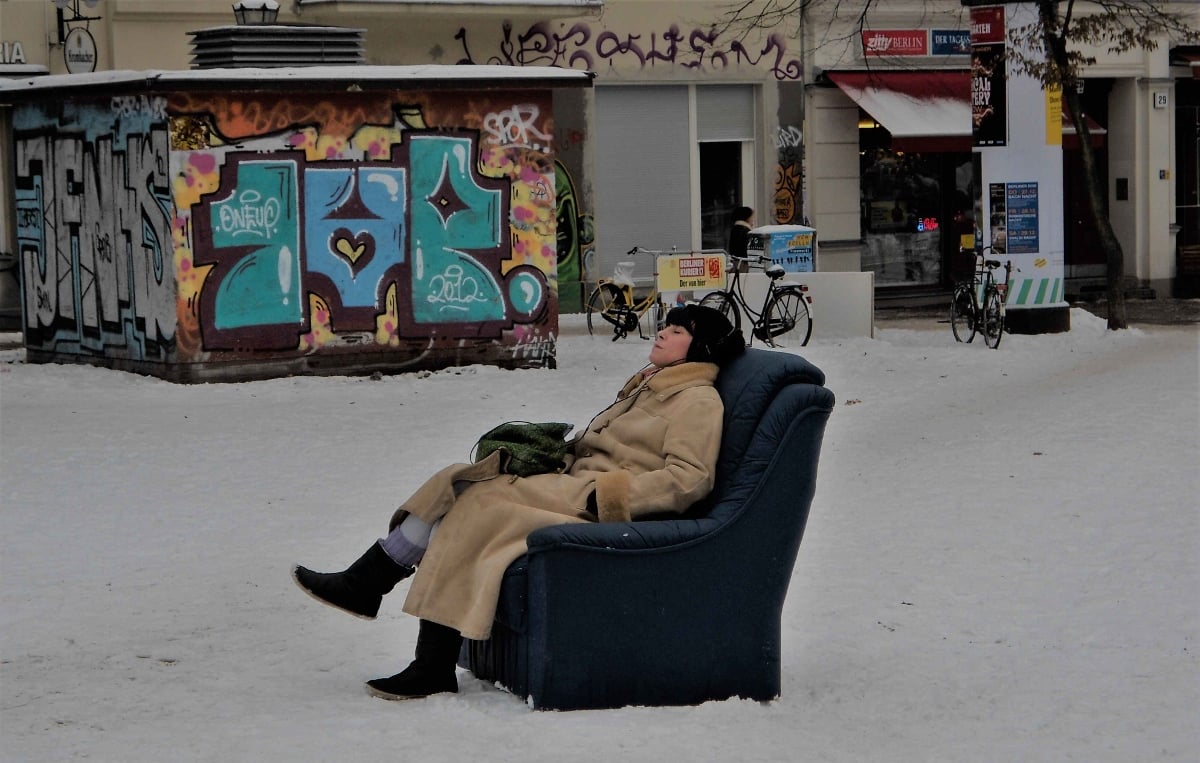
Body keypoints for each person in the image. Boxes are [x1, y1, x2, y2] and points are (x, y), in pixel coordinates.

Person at [293, 304, 745, 701]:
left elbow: (690, 480)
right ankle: (373, 588)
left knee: (478, 501)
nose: (663, 332)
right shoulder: (652, 385)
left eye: (678, 330)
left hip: (592, 501)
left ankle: (415, 644)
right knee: (459, 477)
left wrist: (602, 495)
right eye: (666, 325)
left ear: (699, 347)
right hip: (569, 481)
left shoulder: (697, 400)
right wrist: (555, 450)